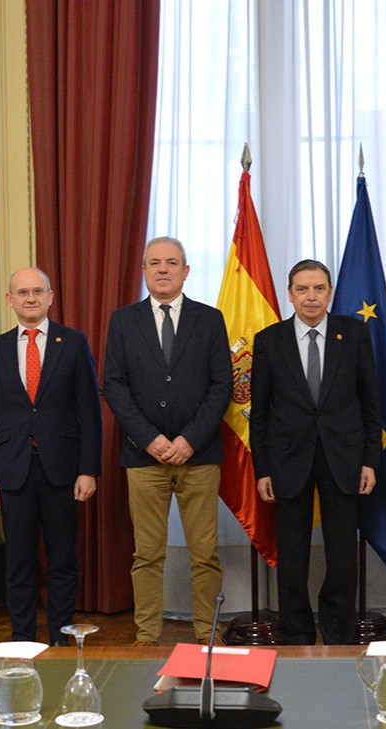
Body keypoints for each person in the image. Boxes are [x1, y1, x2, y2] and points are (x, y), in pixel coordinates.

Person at [102, 237, 231, 646]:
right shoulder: (123, 320)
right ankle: (146, 636)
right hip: (144, 457)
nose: (162, 269)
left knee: (205, 555)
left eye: (171, 262)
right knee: (147, 554)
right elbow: (114, 385)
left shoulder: (209, 319)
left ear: (186, 271)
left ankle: (205, 634)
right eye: (154, 263)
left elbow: (221, 385)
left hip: (199, 455)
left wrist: (189, 440)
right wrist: (151, 439)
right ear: (144, 270)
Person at [250, 259, 381, 645]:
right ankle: (297, 635)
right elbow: (259, 414)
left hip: (344, 459)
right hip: (288, 460)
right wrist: (263, 469)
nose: (311, 297)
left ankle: (339, 633)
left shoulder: (353, 334)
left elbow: (370, 404)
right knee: (293, 558)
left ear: (329, 293)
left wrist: (370, 460)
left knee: (342, 557)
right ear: (290, 294)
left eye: (319, 288)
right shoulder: (269, 341)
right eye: (303, 289)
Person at [0, 268, 102, 645]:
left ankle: (62, 638)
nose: (30, 298)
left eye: (37, 291)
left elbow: (90, 412)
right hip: (11, 470)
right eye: (22, 292)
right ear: (10, 300)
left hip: (62, 469)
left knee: (63, 559)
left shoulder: (74, 342)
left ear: (50, 296)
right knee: (18, 562)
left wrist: (88, 469)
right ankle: (22, 639)